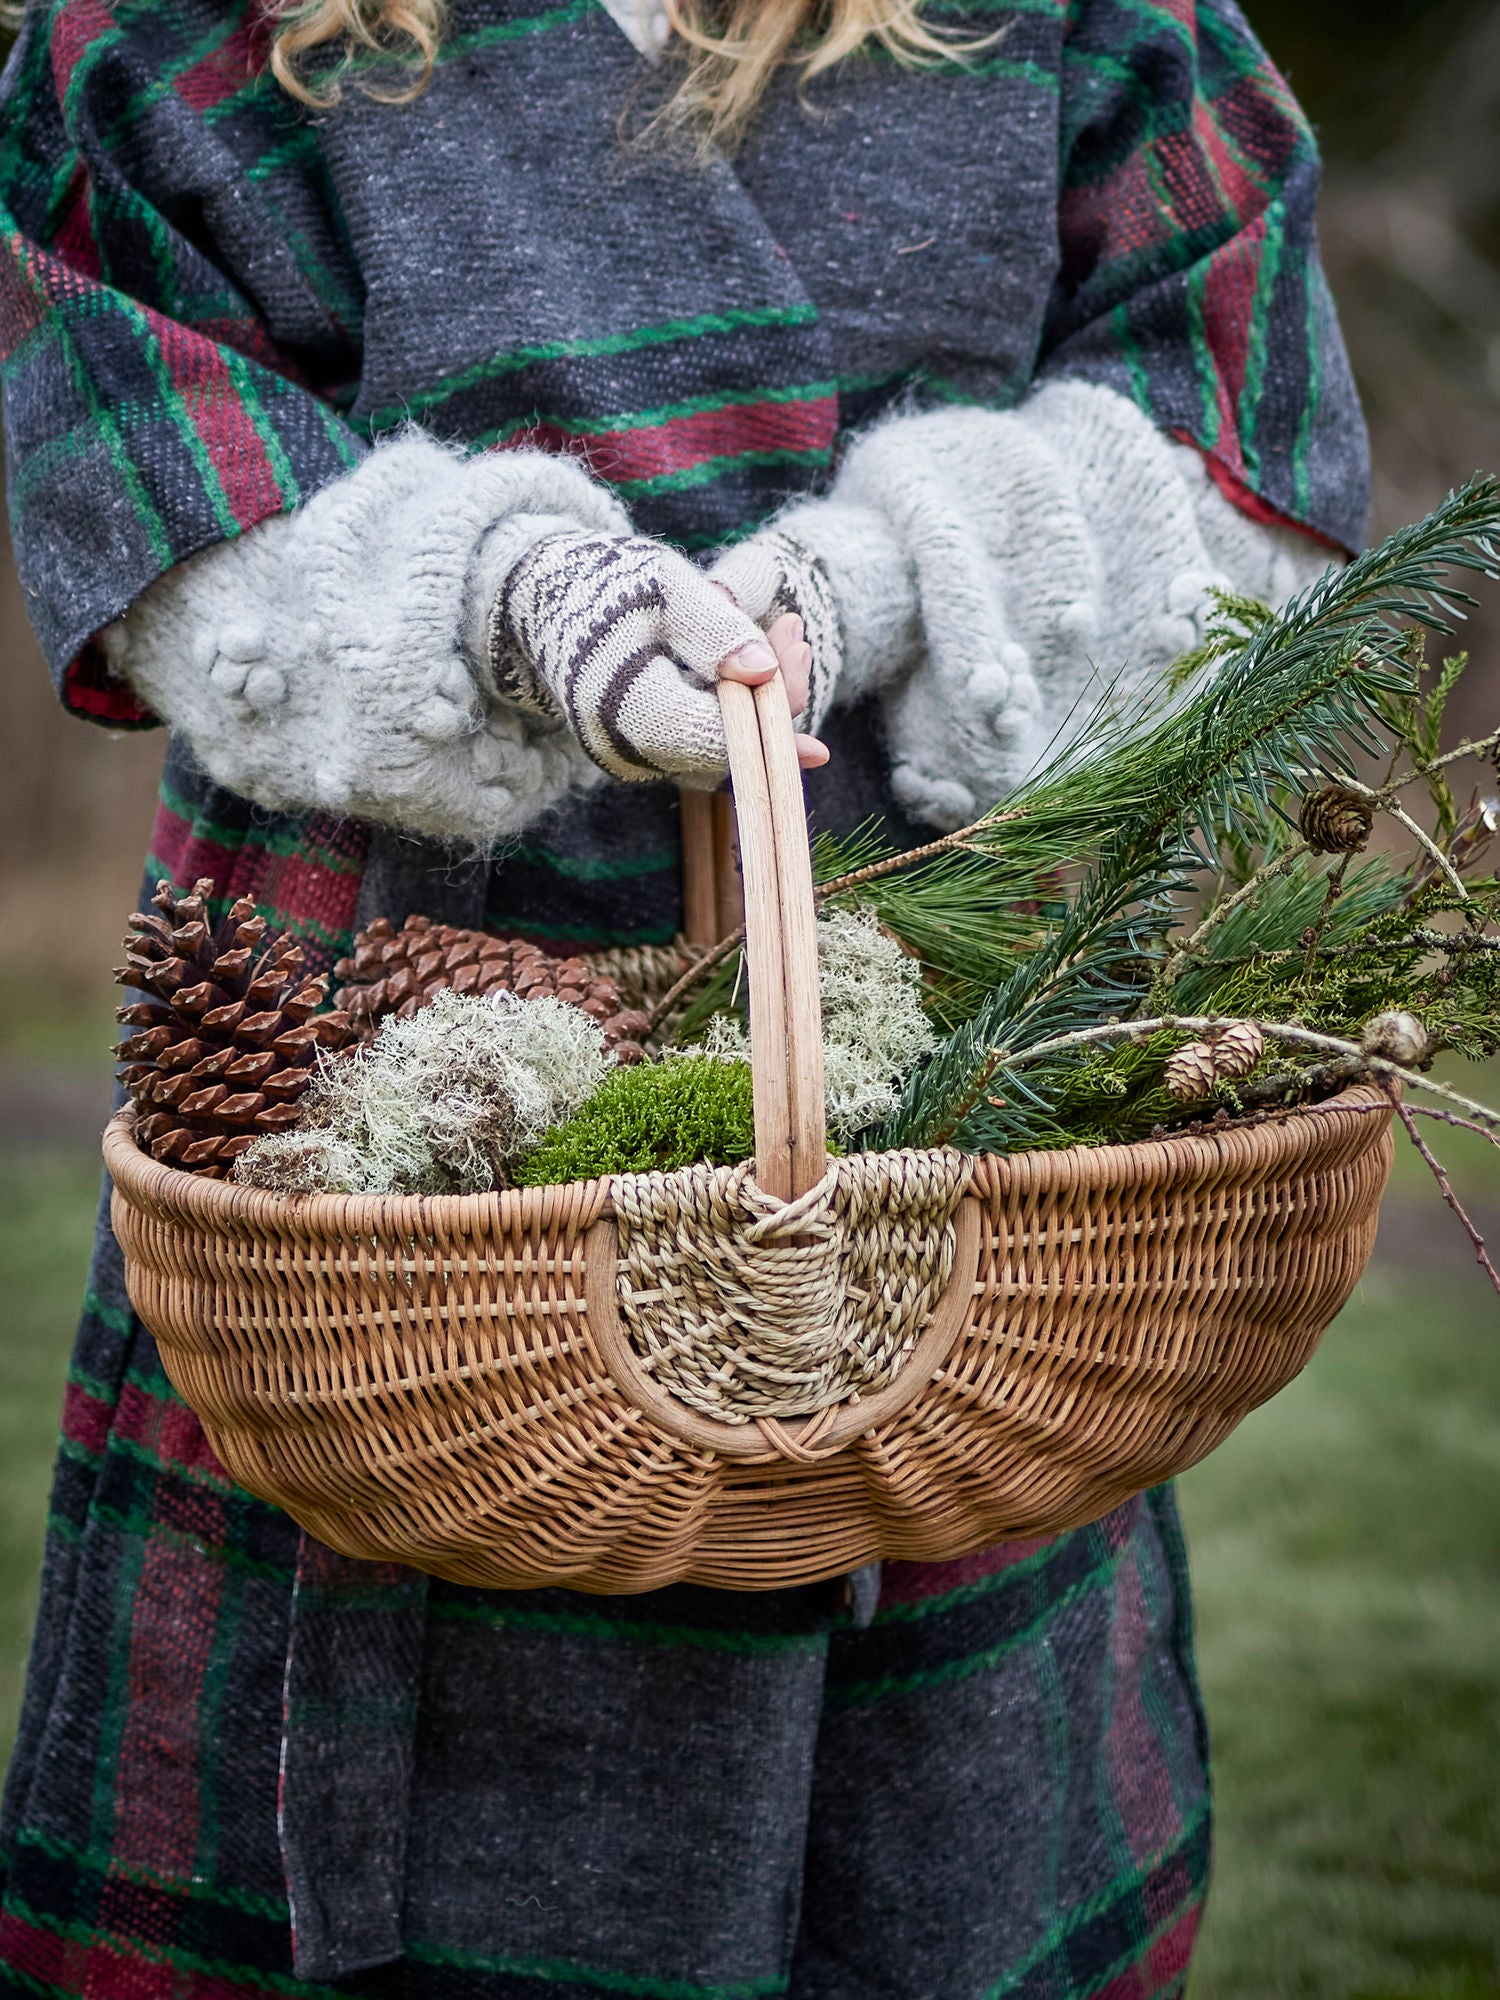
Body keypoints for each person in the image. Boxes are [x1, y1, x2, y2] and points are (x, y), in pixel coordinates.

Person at [0, 0, 1367, 1991]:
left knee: (946, 1880)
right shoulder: (170, 34)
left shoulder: (1081, 25)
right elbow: (142, 479)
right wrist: (518, 604)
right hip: (373, 1154)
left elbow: (1242, 458)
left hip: (940, 1135)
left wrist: (893, 581)